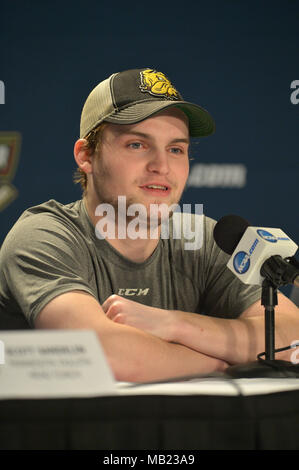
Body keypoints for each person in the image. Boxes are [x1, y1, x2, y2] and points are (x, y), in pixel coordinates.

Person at [0, 68, 298, 382]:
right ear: (86, 155)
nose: (161, 166)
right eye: (137, 145)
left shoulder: (201, 239)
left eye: (176, 149)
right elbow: (99, 352)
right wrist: (222, 364)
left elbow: (292, 340)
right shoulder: (45, 236)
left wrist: (173, 324)